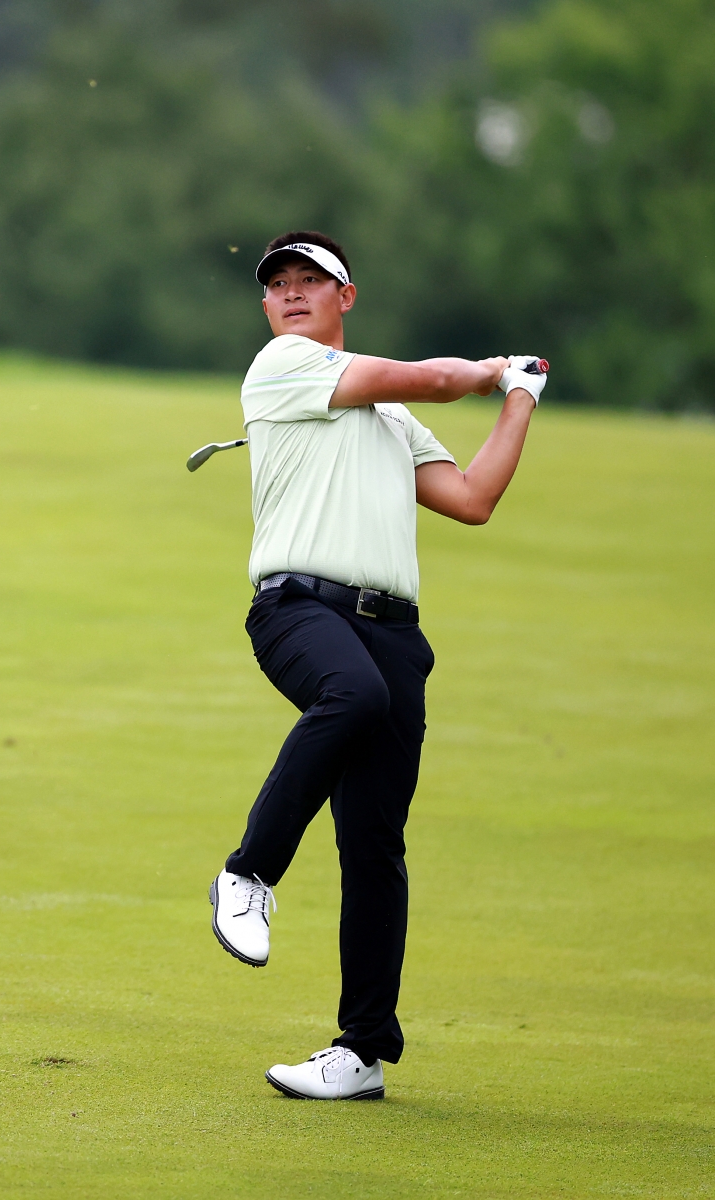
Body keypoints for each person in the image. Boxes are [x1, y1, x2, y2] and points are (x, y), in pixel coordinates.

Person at [208, 231, 546, 1101]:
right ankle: (248, 874)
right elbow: (435, 376)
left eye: (309, 282)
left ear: (345, 296)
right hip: (298, 610)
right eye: (277, 283)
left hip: (396, 633)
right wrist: (487, 368)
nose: (290, 294)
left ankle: (360, 1053)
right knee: (348, 695)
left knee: (374, 844)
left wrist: (519, 399)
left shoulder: (392, 420)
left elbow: (471, 500)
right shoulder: (281, 364)